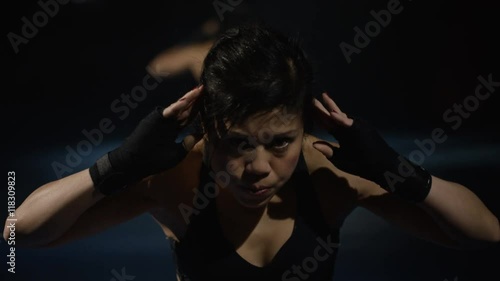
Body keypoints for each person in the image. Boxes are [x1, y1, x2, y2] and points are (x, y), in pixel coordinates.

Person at [4, 24, 499, 281]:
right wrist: (118, 166)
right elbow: (16, 233)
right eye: (235, 144)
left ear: (305, 125)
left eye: (280, 142)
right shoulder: (177, 180)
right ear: (206, 131)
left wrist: (397, 171)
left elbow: (483, 235)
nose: (257, 168)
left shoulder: (328, 176)